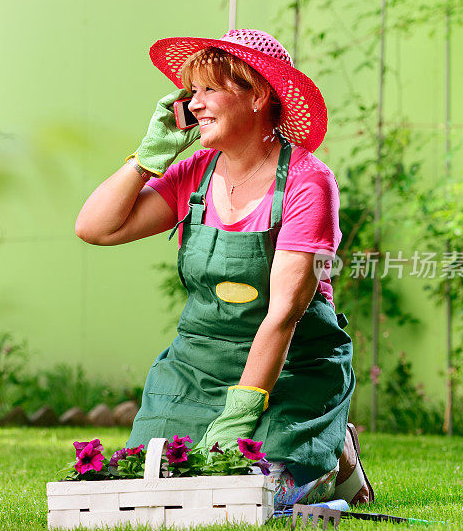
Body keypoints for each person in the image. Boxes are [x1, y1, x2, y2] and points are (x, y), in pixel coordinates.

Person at [75, 29, 373, 506]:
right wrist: (148, 157)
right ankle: (326, 448)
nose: (194, 104)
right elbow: (96, 228)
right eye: (191, 92)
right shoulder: (195, 172)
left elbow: (283, 316)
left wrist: (242, 411)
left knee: (257, 493)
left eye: (210, 89)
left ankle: (335, 454)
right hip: (198, 363)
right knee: (154, 485)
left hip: (292, 363)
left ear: (257, 94)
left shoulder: (307, 182)